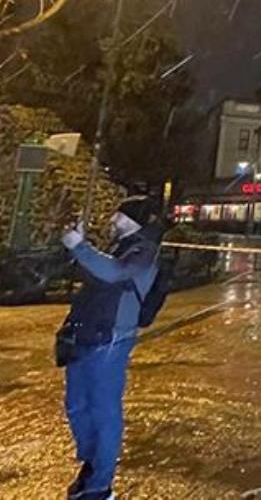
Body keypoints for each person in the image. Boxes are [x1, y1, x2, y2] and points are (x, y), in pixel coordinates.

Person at [60, 196, 163, 500]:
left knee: (104, 410)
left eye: (118, 215)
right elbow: (97, 275)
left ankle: (100, 483)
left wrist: (80, 246)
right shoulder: (123, 246)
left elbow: (115, 273)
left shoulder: (144, 250)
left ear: (132, 220)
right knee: (77, 405)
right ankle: (92, 463)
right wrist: (78, 249)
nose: (113, 220)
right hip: (86, 335)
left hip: (112, 340)